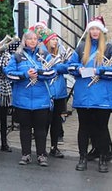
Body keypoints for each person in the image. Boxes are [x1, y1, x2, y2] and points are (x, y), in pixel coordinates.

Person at [67, 16, 112, 173]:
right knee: (83, 128)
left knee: (102, 129)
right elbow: (70, 66)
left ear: (102, 31)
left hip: (102, 98)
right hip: (83, 96)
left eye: (97, 29)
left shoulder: (110, 49)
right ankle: (82, 158)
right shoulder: (81, 48)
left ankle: (103, 158)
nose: (94, 32)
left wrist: (100, 71)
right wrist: (78, 69)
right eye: (92, 29)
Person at [4, 30, 57, 166]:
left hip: (41, 99)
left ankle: (41, 155)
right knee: (25, 128)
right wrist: (25, 75)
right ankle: (26, 154)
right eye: (30, 39)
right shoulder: (17, 55)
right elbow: (9, 74)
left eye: (35, 39)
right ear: (24, 41)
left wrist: (38, 73)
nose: (33, 41)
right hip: (22, 99)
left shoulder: (44, 54)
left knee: (41, 129)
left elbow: (52, 72)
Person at [41, 31, 69, 159]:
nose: (55, 42)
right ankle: (42, 148)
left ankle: (54, 147)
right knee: (46, 121)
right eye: (53, 40)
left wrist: (58, 66)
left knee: (57, 122)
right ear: (47, 41)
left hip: (60, 93)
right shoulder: (43, 55)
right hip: (48, 92)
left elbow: (67, 68)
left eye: (56, 40)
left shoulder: (60, 55)